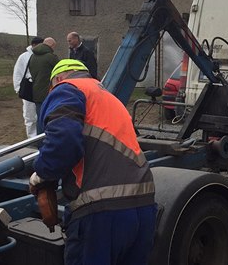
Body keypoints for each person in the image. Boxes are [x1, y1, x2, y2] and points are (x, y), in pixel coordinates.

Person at [29, 59, 156, 265]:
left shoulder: (67, 90)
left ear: (59, 79)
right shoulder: (110, 99)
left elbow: (65, 140)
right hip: (143, 207)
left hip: (101, 215)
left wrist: (41, 174)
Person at [12, 36, 44, 138]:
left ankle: (40, 136)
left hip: (40, 88)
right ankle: (31, 137)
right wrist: (18, 88)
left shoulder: (44, 56)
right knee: (29, 115)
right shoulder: (24, 57)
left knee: (40, 113)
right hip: (28, 87)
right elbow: (18, 73)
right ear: (34, 45)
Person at [28, 37, 59, 129]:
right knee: (49, 119)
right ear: (51, 46)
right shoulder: (51, 57)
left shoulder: (32, 56)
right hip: (48, 93)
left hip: (36, 92)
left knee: (39, 118)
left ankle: (38, 141)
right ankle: (45, 140)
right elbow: (59, 71)